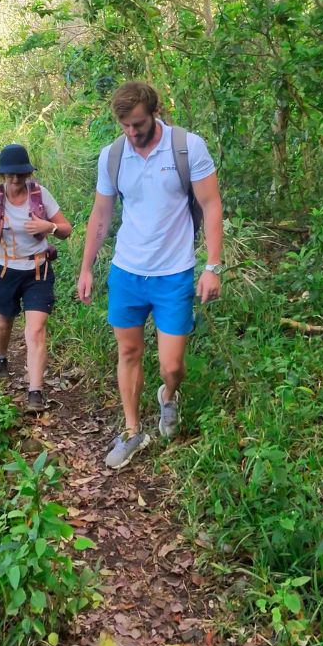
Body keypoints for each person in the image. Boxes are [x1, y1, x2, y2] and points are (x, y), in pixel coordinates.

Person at [78, 82, 224, 469]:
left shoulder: (187, 147)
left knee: (172, 366)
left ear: (155, 111)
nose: (132, 132)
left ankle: (168, 395)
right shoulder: (112, 156)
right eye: (124, 125)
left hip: (174, 273)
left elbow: (210, 205)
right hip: (127, 271)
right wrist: (87, 267)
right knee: (128, 350)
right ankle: (131, 430)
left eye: (138, 123)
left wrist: (212, 266)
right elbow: (101, 215)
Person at [0, 143, 72, 412]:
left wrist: (48, 226)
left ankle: (35, 391)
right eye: (10, 175)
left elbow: (65, 229)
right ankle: (0, 357)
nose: (15, 180)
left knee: (36, 330)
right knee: (3, 320)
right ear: (2, 175)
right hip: (4, 269)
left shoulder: (40, 195)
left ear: (27, 174)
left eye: (20, 175)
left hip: (38, 270)